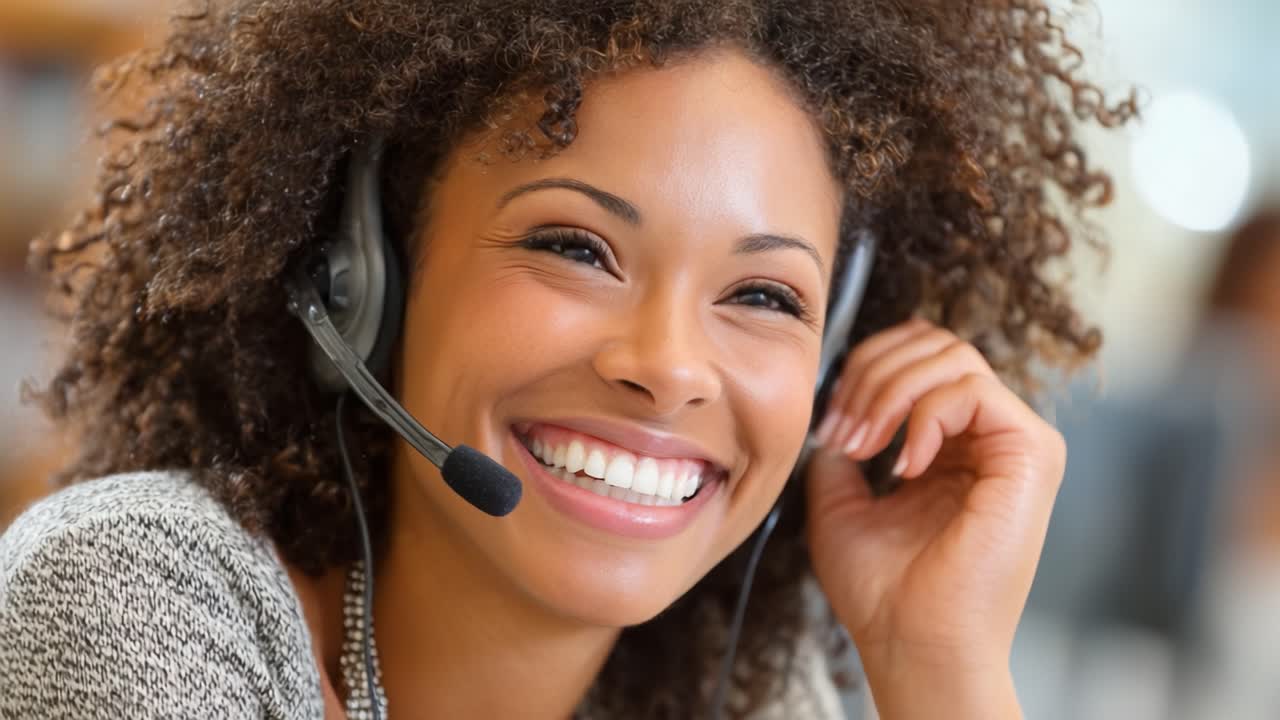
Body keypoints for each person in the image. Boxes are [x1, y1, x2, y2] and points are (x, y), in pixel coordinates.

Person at [0, 1, 1132, 718]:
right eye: (575, 248)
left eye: (761, 296)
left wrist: (936, 669)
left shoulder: (753, 693)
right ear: (364, 275)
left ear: (830, 358)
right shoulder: (137, 595)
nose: (668, 367)